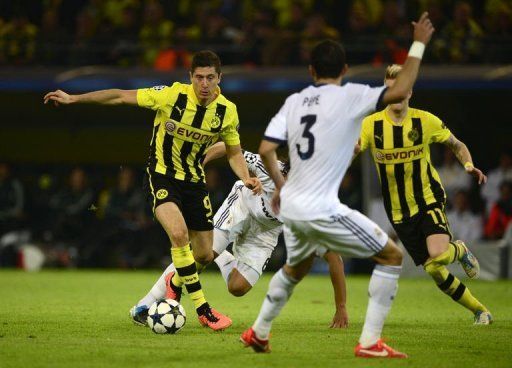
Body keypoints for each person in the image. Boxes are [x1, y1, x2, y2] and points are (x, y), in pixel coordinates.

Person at [242, 13, 435, 358]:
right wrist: (418, 42)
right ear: (345, 69)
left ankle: (258, 333)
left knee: (295, 269)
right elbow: (402, 89)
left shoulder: (294, 101)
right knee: (391, 255)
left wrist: (282, 186)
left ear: (311, 71)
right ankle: (370, 342)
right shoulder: (353, 96)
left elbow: (266, 149)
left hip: (293, 207)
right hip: (320, 207)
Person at [43, 50, 262, 331]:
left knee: (205, 255)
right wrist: (74, 98)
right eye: (198, 77)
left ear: (219, 78)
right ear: (190, 77)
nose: (204, 84)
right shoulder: (170, 96)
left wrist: (245, 177)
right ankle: (203, 309)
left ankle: (175, 280)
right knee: (179, 235)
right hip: (162, 176)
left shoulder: (227, 111)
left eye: (209, 77)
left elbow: (233, 152)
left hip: (195, 183)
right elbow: (120, 95)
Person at [130, 143, 349, 329]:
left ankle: (222, 256)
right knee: (203, 256)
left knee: (237, 288)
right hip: (241, 207)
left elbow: (334, 257)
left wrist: (341, 308)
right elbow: (228, 147)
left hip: (265, 232)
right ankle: (144, 305)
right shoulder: (269, 168)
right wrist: (199, 163)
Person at [358, 63, 492, 325]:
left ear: (410, 92)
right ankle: (480, 311)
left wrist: (467, 164)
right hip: (398, 211)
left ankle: (460, 250)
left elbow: (457, 144)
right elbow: (352, 149)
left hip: (428, 198)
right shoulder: (370, 125)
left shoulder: (425, 120)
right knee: (434, 269)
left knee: (438, 253)